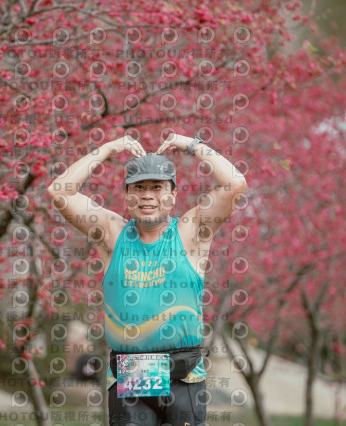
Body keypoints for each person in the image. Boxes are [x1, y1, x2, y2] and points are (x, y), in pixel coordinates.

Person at [47, 133, 247, 426]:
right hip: (133, 372)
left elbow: (235, 184)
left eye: (157, 187)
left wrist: (191, 145)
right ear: (127, 195)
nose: (147, 196)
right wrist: (107, 148)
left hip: (184, 374)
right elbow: (59, 192)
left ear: (173, 194)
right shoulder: (112, 233)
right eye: (139, 188)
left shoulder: (191, 231)